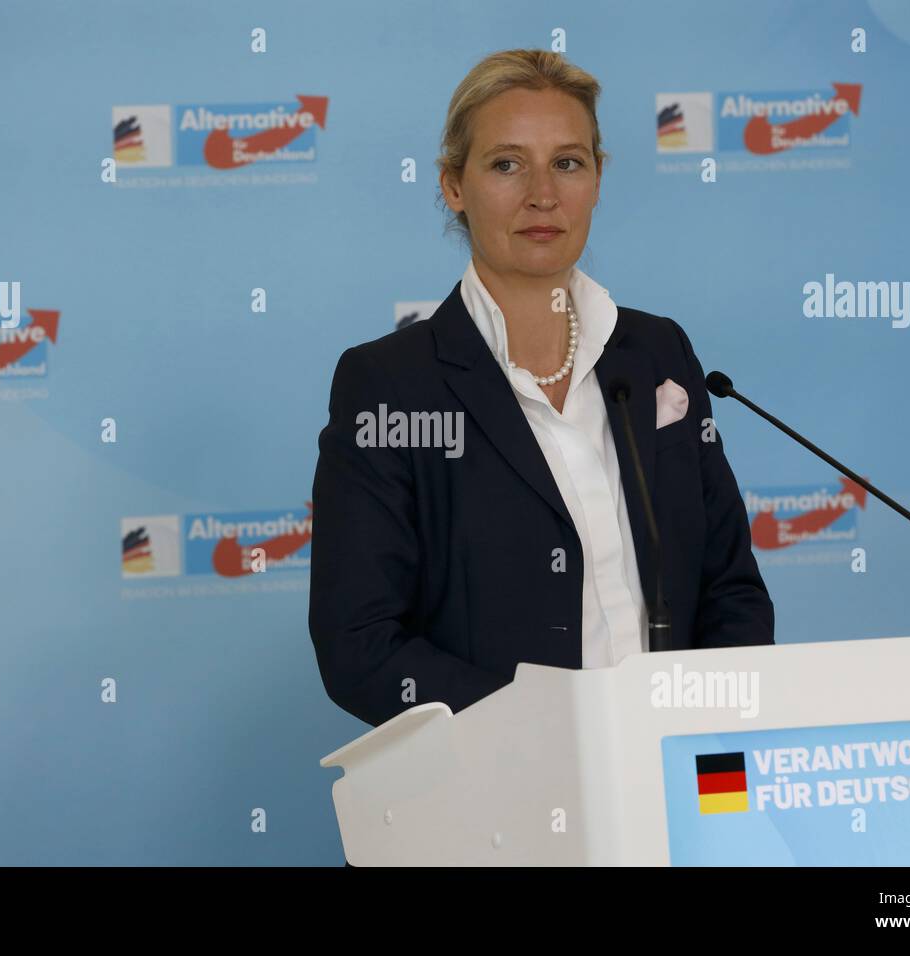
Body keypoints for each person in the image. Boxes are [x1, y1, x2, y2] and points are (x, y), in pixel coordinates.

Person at [310, 49, 773, 729]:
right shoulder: (390, 386)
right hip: (502, 793)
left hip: (674, 778)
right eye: (506, 163)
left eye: (567, 162)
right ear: (453, 186)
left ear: (597, 178)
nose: (542, 194)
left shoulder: (658, 353)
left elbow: (731, 591)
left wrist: (704, 736)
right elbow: (361, 647)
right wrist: (551, 733)